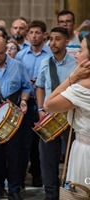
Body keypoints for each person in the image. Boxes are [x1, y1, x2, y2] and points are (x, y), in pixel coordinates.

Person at [0, 36, 32, 200]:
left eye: (0, 53)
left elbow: (26, 87)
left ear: (6, 50)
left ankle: (14, 189)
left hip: (13, 114)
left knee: (15, 155)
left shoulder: (18, 66)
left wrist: (24, 101)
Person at [44, 33, 90, 189]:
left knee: (82, 191)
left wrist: (72, 77)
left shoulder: (83, 87)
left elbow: (49, 104)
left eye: (81, 50)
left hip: (86, 151)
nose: (76, 54)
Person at [35, 27, 76, 200]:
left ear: (67, 41)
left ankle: (70, 191)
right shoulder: (45, 62)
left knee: (71, 156)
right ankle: (50, 194)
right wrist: (40, 110)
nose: (53, 43)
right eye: (50, 39)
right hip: (50, 116)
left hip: (70, 116)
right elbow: (40, 86)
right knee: (47, 158)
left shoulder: (75, 63)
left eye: (57, 39)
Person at [15, 20, 52, 189]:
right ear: (28, 34)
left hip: (44, 102)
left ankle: (38, 175)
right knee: (24, 142)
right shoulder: (21, 55)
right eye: (31, 33)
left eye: (38, 32)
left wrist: (40, 81)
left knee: (41, 143)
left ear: (44, 35)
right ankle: (20, 177)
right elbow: (17, 76)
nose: (34, 36)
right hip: (26, 102)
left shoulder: (49, 54)